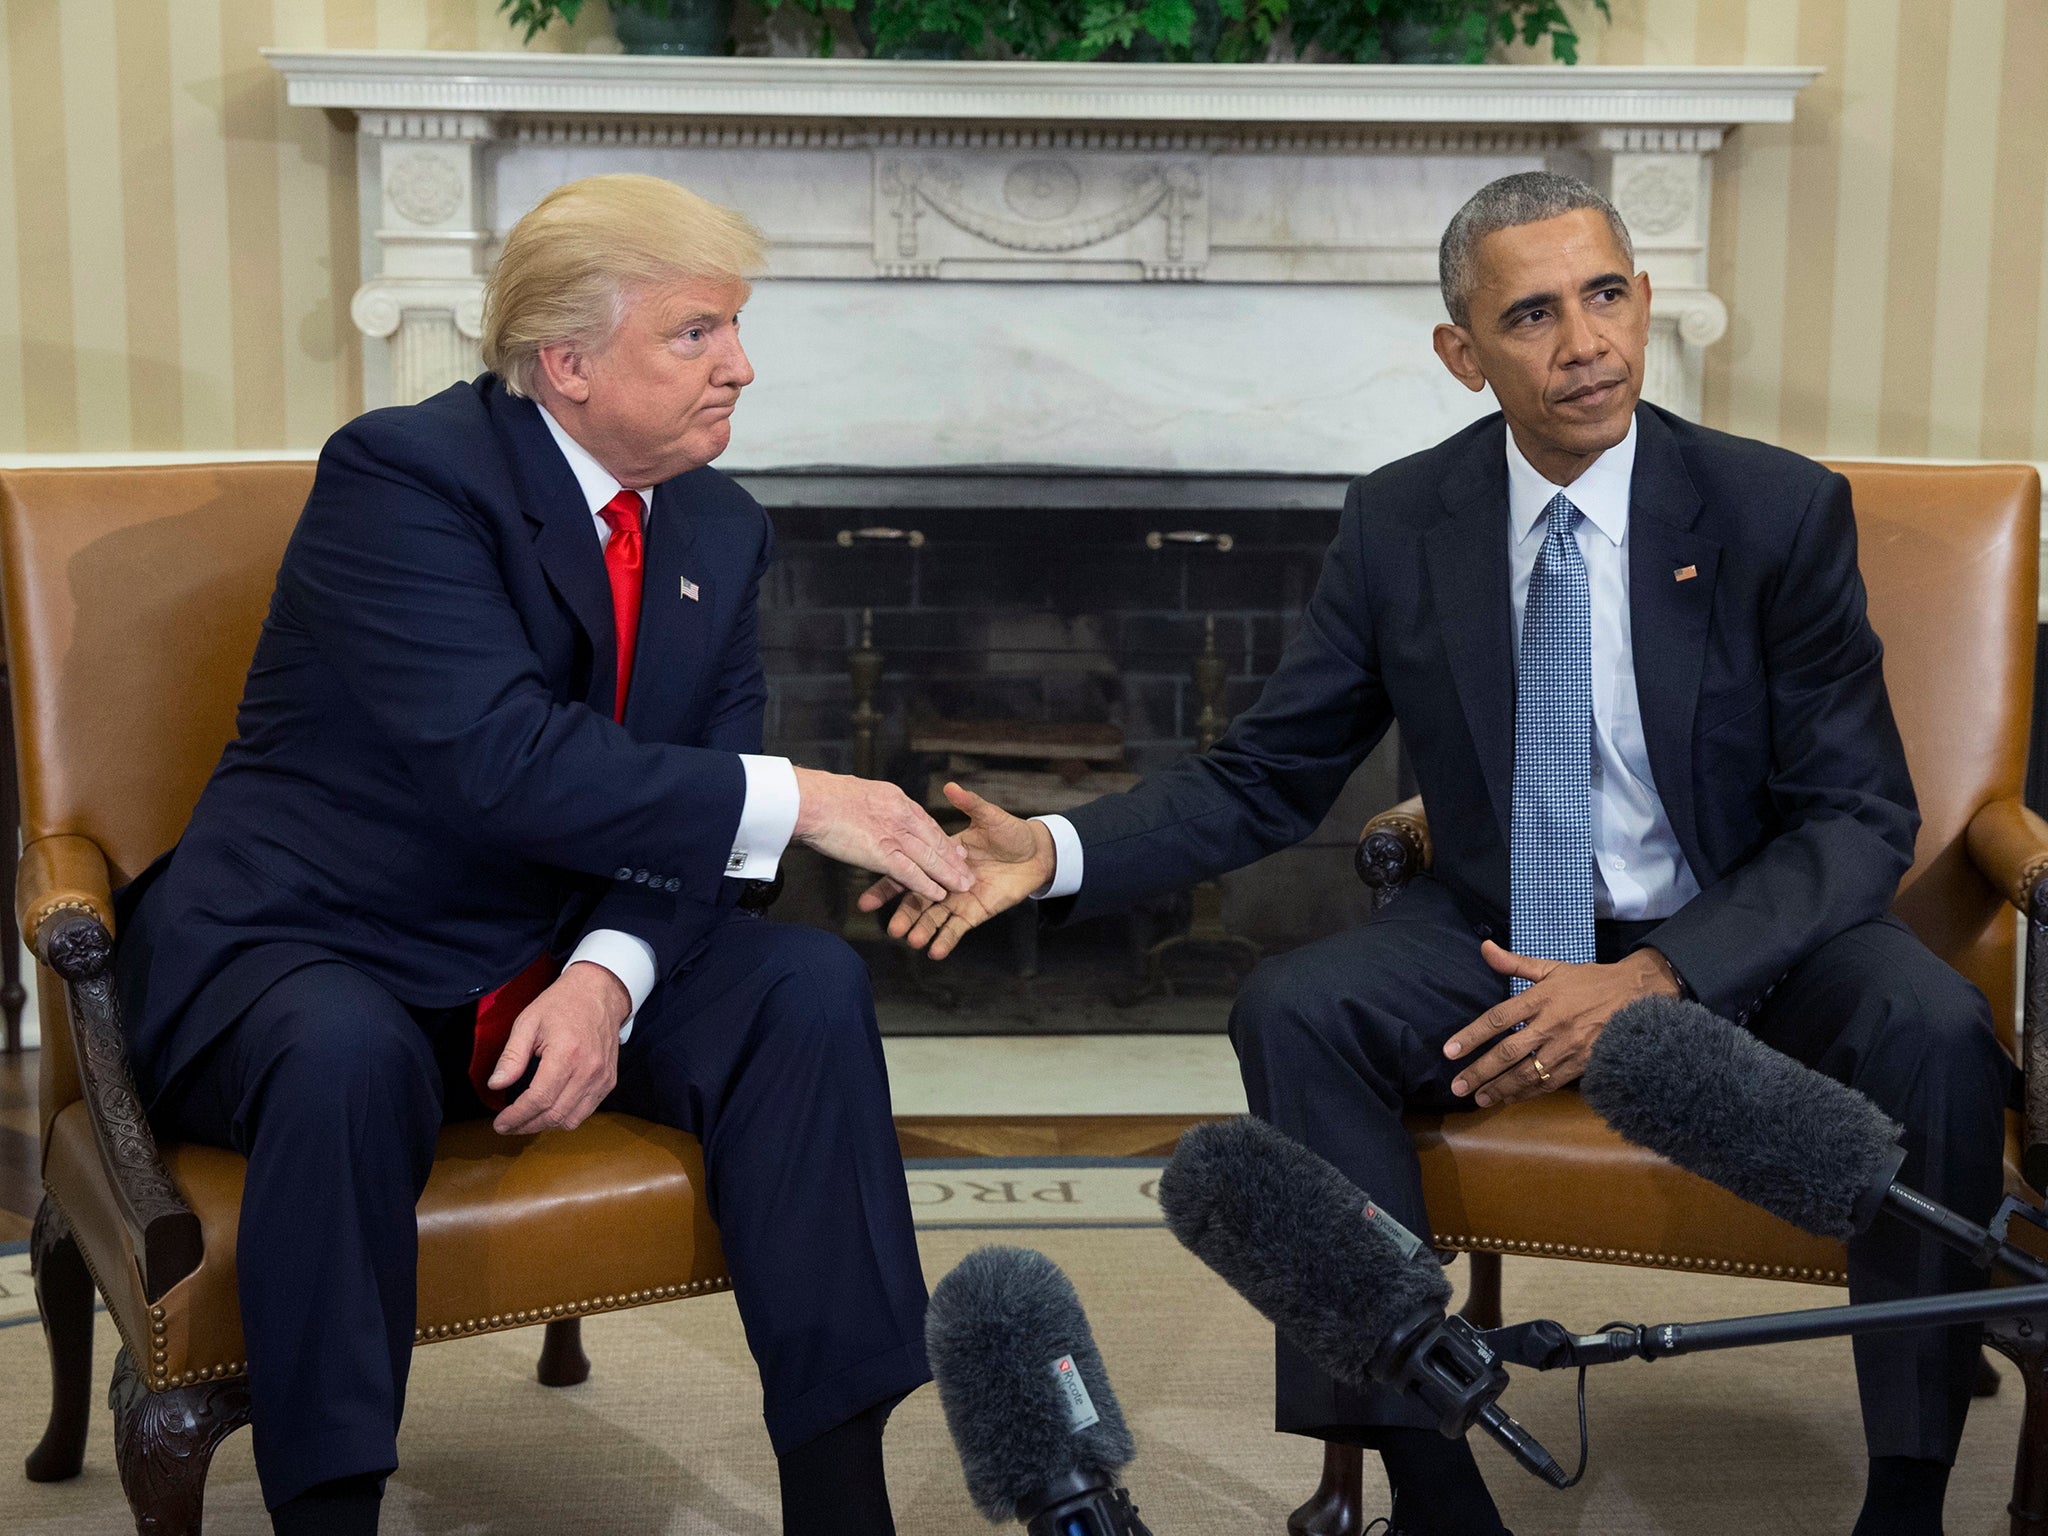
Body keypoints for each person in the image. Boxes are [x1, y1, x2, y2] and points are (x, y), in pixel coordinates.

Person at [867, 171, 2013, 1536]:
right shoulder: (1403, 523)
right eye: (1532, 315)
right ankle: (1429, 1474)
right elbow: (1267, 773)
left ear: (1646, 303)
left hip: (1748, 926)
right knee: (1294, 1007)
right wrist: (1050, 850)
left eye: (1604, 296)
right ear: (1462, 355)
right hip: (1496, 933)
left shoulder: (1774, 513)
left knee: (1934, 1026)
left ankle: (1909, 1488)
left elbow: (1856, 815)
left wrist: (1658, 977)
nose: (1585, 342)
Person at [112, 173, 972, 1536]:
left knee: (804, 992)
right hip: (322, 939)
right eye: (697, 333)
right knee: (346, 1057)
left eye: (736, 329)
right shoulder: (403, 477)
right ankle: (328, 1510)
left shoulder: (719, 525)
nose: (739, 365)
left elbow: (691, 807)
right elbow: (502, 760)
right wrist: (801, 797)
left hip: (545, 945)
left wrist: (608, 977)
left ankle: (840, 1497)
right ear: (566, 365)